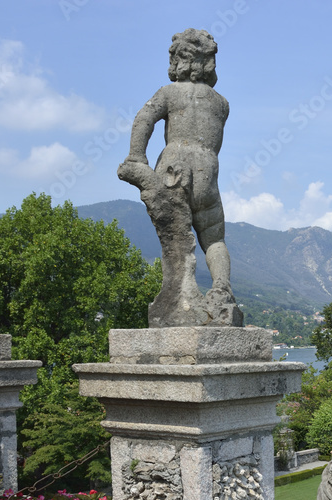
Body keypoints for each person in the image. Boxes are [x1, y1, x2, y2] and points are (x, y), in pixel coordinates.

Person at [118, 29, 241, 326]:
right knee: (214, 237)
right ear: (208, 62)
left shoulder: (169, 93)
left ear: (178, 60)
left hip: (176, 165)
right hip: (208, 171)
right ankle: (221, 288)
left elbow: (143, 119)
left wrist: (137, 157)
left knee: (175, 235)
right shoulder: (221, 103)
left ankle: (180, 296)